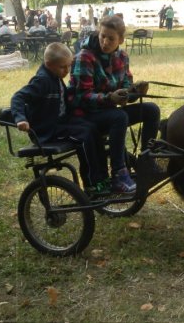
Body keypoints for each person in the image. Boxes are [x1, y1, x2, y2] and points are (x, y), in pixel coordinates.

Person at [67, 15, 162, 194]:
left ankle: (147, 161)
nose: (105, 41)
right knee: (119, 116)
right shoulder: (84, 57)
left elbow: (125, 87)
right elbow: (81, 97)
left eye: (111, 38)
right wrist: (110, 98)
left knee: (151, 110)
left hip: (107, 111)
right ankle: (119, 174)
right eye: (103, 36)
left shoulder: (122, 56)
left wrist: (135, 91)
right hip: (84, 116)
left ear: (121, 40)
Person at [11, 43, 110, 195]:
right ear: (49, 64)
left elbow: (63, 97)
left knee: (92, 128)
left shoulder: (55, 76)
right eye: (63, 67)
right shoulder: (42, 80)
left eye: (68, 66)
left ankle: (102, 177)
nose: (67, 71)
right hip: (47, 130)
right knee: (84, 137)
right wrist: (20, 119)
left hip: (61, 122)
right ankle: (91, 184)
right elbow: (18, 97)